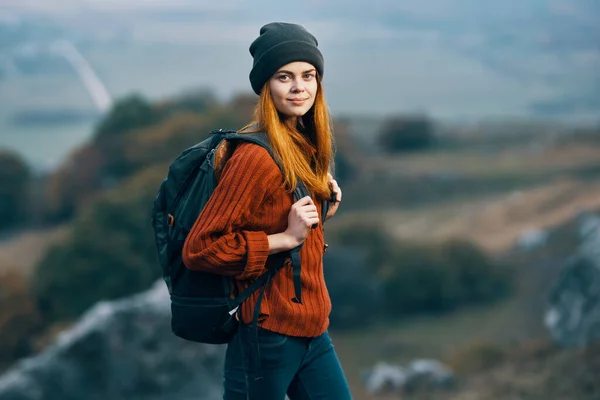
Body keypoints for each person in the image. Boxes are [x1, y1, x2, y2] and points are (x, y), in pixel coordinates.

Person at [182, 22, 352, 399]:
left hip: (311, 331)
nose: (299, 87)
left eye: (308, 75)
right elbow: (201, 249)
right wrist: (284, 238)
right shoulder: (254, 157)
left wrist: (322, 205)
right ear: (266, 87)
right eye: (284, 77)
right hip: (266, 335)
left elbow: (283, 220)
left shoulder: (301, 145)